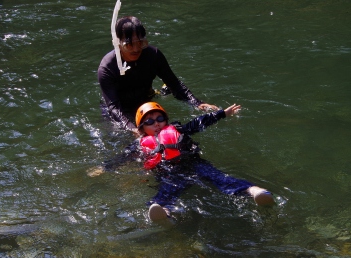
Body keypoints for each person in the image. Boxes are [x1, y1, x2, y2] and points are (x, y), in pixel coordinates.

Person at [89, 102, 275, 222]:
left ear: (166, 120)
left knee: (220, 178)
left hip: (193, 163)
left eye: (160, 118)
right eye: (150, 121)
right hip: (169, 172)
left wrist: (222, 114)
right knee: (165, 193)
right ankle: (164, 214)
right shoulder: (139, 144)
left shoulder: (179, 131)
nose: (156, 123)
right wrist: (104, 167)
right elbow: (123, 157)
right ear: (141, 128)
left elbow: (199, 122)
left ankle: (254, 191)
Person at [98, 16, 219, 134]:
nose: (136, 49)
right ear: (117, 42)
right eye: (129, 45)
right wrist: (132, 129)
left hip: (145, 102)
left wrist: (197, 103)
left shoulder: (153, 55)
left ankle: (161, 92)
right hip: (119, 110)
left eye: (140, 43)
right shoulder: (107, 68)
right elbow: (113, 108)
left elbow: (175, 83)